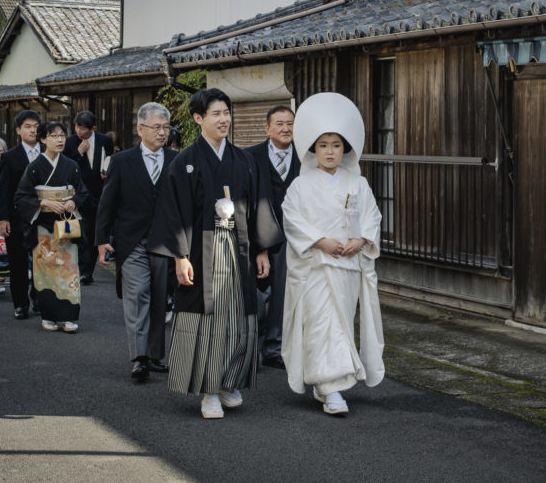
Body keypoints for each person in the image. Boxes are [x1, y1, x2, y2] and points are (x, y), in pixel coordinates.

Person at [147, 88, 279, 419]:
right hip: (200, 251)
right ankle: (207, 391)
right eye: (216, 114)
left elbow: (258, 206)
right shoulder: (185, 162)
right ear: (198, 118)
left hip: (239, 248)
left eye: (226, 113)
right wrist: (180, 256)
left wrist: (262, 250)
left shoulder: (244, 160)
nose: (224, 119)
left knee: (238, 317)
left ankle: (229, 382)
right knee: (206, 320)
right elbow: (172, 212)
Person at [281, 92, 385, 416]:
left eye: (336, 145)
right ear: (314, 148)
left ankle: (325, 384)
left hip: (348, 266)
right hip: (315, 266)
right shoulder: (300, 186)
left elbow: (373, 216)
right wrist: (318, 240)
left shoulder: (359, 182)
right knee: (319, 325)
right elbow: (291, 217)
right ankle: (332, 389)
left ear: (345, 149)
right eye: (323, 145)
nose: (329, 151)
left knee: (340, 324)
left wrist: (363, 238)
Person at [96, 102, 178, 382]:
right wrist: (101, 240)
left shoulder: (175, 160)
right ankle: (139, 357)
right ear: (140, 129)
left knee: (159, 298)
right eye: (157, 127)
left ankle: (155, 355)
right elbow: (106, 203)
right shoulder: (122, 161)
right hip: (131, 240)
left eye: (166, 127)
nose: (162, 132)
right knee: (139, 293)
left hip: (164, 242)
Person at [15, 121, 88, 333]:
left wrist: (73, 201)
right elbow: (21, 197)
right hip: (43, 227)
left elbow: (82, 191)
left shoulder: (71, 165)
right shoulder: (35, 166)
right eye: (54, 136)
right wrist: (43, 202)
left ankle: (69, 317)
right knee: (46, 273)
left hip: (66, 226)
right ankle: (48, 315)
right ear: (43, 139)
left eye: (62, 135)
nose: (60, 140)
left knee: (69, 271)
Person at [244, 106, 300, 369]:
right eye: (279, 123)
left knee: (282, 292)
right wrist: (256, 243)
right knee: (255, 292)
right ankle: (250, 345)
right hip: (258, 234)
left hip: (293, 236)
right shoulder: (249, 157)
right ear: (267, 128)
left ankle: (273, 346)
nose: (285, 128)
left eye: (290, 123)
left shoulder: (306, 158)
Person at [0, 110, 42, 320]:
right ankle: (20, 303)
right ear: (18, 130)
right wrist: (3, 218)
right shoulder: (9, 157)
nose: (32, 130)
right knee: (18, 263)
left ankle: (40, 299)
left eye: (35, 126)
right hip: (17, 218)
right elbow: (3, 190)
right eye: (27, 126)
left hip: (44, 217)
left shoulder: (48, 152)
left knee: (43, 261)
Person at [63, 110, 114, 285]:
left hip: (100, 192)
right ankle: (83, 271)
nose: (79, 131)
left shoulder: (105, 140)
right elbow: (66, 167)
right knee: (82, 234)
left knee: (94, 233)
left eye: (83, 128)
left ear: (93, 128)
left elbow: (110, 159)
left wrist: (107, 172)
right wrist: (79, 153)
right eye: (77, 126)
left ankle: (88, 270)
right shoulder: (70, 142)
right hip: (80, 194)